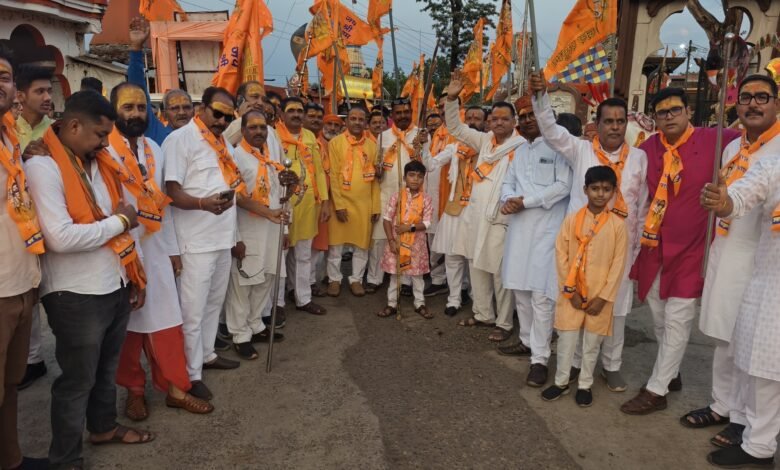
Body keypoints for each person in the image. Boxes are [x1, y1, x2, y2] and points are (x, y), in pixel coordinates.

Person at [25, 90, 154, 468]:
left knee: (105, 370)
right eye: (99, 135)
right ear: (74, 125)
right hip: (74, 293)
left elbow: (125, 219)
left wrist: (135, 274)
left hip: (113, 281)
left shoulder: (101, 161)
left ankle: (103, 427)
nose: (104, 143)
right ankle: (65, 458)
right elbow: (61, 237)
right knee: (76, 380)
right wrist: (120, 222)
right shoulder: (42, 166)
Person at [622, 87, 740, 415]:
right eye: (662, 112)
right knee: (658, 315)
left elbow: (756, 143)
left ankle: (657, 389)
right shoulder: (646, 149)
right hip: (655, 246)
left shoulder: (718, 139)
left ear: (688, 111)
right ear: (655, 118)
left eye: (675, 110)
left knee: (677, 317)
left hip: (693, 248)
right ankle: (670, 370)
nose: (669, 116)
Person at [530, 71, 648, 392]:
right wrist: (540, 98)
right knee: (575, 305)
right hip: (580, 246)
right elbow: (551, 131)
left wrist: (636, 251)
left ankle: (612, 366)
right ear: (599, 122)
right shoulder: (581, 150)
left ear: (626, 124)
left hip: (617, 250)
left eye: (620, 121)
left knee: (615, 309)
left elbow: (642, 205)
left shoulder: (639, 158)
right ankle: (574, 367)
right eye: (608, 120)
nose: (614, 126)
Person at [680, 75, 780, 448]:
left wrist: (727, 203)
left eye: (762, 98)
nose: (753, 105)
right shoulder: (733, 148)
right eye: (746, 98)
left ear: (776, 103)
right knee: (722, 336)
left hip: (760, 261)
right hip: (726, 250)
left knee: (749, 343)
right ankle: (723, 404)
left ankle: (743, 418)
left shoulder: (778, 150)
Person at [106, 82, 213, 420]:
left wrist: (171, 249)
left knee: (168, 321)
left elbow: (161, 204)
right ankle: (134, 391)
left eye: (140, 107)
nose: (135, 113)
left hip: (155, 247)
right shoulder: (103, 150)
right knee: (128, 329)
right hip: (119, 252)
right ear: (113, 112)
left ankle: (176, 388)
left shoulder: (154, 146)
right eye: (128, 107)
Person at [700, 139, 780, 470]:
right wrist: (727, 201)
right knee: (763, 368)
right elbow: (745, 192)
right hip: (772, 286)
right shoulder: (775, 163)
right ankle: (760, 447)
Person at [164, 86, 243, 402]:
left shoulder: (222, 142)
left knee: (214, 302)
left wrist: (234, 236)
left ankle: (207, 354)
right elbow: (171, 191)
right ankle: (191, 373)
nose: (222, 121)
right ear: (202, 108)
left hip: (221, 236)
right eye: (218, 113)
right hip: (195, 240)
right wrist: (202, 203)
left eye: (228, 116)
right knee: (193, 310)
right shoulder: (180, 139)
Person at [445, 72, 526, 343]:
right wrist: (452, 99)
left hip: (502, 219)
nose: (499, 123)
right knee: (475, 264)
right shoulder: (484, 141)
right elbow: (456, 129)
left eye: (505, 119)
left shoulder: (523, 147)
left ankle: (504, 323)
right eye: (495, 119)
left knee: (500, 272)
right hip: (475, 214)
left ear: (514, 122)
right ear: (489, 122)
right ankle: (482, 314)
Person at [499, 95, 573, 388]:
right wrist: (507, 199)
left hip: (547, 231)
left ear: (546, 116)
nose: (528, 120)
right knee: (521, 292)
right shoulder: (520, 151)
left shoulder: (559, 148)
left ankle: (540, 360)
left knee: (542, 297)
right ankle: (527, 341)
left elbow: (563, 187)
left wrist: (524, 201)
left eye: (533, 115)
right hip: (519, 231)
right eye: (524, 116)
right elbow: (507, 182)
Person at [541, 166, 627, 407]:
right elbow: (561, 256)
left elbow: (618, 265)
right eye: (595, 188)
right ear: (585, 190)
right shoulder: (572, 220)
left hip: (601, 295)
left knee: (591, 344)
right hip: (572, 294)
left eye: (606, 189)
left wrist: (604, 297)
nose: (600, 194)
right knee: (567, 340)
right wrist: (570, 292)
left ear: (613, 192)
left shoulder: (617, 226)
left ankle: (585, 384)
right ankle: (560, 382)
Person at [0, 46, 48, 470]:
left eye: (3, 76)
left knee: (11, 386)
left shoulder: (12, 138)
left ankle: (12, 460)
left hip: (21, 280)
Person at [225, 110, 292, 360]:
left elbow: (280, 196)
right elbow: (235, 199)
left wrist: (285, 229)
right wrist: (235, 238)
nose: (258, 132)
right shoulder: (235, 157)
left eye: (263, 127)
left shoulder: (271, 157)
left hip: (272, 230)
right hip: (247, 230)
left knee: (266, 279)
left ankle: (255, 325)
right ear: (242, 130)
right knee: (243, 285)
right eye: (252, 127)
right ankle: (240, 334)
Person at [14, 65, 53, 391]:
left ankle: (42, 358)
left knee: (48, 292)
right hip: (19, 225)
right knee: (26, 294)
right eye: (39, 91)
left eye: (50, 91)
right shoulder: (8, 130)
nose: (47, 97)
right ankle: (32, 359)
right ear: (20, 94)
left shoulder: (58, 131)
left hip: (53, 224)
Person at [277, 97, 330, 315]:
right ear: (282, 114)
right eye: (292, 111)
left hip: (309, 204)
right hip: (283, 204)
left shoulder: (310, 137)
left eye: (300, 111)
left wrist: (325, 202)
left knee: (303, 254)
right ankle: (278, 303)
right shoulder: (274, 136)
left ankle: (303, 298)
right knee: (281, 255)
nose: (297, 114)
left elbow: (318, 171)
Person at [367, 98, 423, 294]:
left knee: (408, 238)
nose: (402, 116)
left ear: (411, 113)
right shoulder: (383, 137)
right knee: (380, 238)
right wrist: (378, 170)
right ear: (392, 116)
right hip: (386, 193)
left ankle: (405, 281)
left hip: (412, 197)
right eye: (398, 113)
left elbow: (428, 166)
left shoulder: (421, 135)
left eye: (406, 112)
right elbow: (376, 165)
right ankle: (374, 278)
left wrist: (420, 151)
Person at [325, 106, 380, 297]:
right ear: (347, 122)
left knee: (361, 245)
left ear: (365, 123)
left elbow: (375, 180)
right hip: (341, 203)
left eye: (360, 119)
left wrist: (375, 206)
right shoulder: (336, 143)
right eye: (353, 119)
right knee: (336, 246)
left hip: (364, 204)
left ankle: (356, 279)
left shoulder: (373, 146)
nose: (357, 122)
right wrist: (338, 205)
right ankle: (334, 279)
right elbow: (333, 176)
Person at [378, 160, 433, 319]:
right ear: (404, 177)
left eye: (419, 176)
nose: (415, 179)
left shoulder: (426, 199)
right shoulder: (397, 197)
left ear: (423, 179)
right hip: (397, 243)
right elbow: (387, 219)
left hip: (416, 245)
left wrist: (409, 228)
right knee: (396, 275)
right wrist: (391, 241)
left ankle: (419, 303)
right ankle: (391, 304)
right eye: (411, 175)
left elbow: (427, 223)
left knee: (417, 276)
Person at [126, 16, 175, 145]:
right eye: (174, 108)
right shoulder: (156, 131)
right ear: (164, 114)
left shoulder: (200, 138)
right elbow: (137, 89)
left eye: (186, 107)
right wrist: (136, 48)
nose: (182, 112)